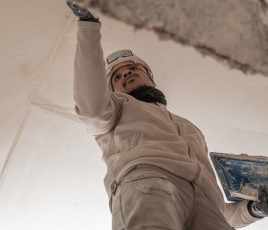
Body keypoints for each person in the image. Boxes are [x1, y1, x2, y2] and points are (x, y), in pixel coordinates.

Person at [66, 1, 268, 229]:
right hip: (150, 182)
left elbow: (221, 212)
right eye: (117, 77)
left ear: (151, 79)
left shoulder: (190, 127)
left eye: (133, 70)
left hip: (207, 201)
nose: (126, 75)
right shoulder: (117, 108)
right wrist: (88, 25)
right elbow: (91, 108)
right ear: (113, 92)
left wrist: (254, 209)